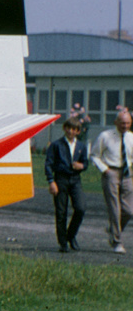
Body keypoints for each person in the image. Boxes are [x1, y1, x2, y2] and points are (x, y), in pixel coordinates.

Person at [90, 105, 133, 254]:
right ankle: (116, 241)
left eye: (127, 123)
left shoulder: (131, 137)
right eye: (122, 123)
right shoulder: (105, 136)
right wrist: (105, 169)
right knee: (114, 209)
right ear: (115, 122)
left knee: (129, 210)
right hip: (111, 173)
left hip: (127, 174)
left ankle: (113, 228)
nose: (125, 126)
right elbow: (94, 155)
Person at [46, 114, 89, 251]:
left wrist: (81, 166)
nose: (71, 131)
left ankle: (71, 235)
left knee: (80, 207)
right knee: (61, 211)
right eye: (69, 128)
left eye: (74, 129)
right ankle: (63, 242)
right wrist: (51, 181)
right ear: (65, 129)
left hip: (75, 180)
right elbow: (48, 164)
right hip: (61, 179)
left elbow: (85, 163)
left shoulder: (81, 146)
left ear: (78, 131)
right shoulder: (56, 145)